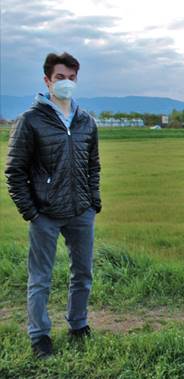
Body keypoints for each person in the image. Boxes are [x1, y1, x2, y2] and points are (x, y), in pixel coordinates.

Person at [5, 52, 101, 358]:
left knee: (83, 273)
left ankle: (78, 323)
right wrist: (30, 211)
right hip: (45, 214)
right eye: (60, 78)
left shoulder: (86, 121)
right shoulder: (30, 121)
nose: (67, 83)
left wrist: (93, 201)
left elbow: (93, 165)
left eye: (72, 78)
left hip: (80, 211)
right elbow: (14, 171)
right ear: (47, 81)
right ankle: (39, 335)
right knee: (41, 278)